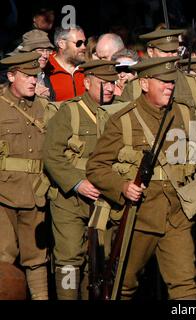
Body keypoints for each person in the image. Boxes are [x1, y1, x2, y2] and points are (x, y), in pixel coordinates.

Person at [86, 57, 196, 300]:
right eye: (163, 82)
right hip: (140, 216)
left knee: (186, 286)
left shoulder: (182, 113)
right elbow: (96, 166)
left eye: (172, 82)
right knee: (123, 285)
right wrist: (123, 186)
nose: (170, 86)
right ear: (145, 84)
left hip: (177, 214)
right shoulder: (124, 119)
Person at [43, 60, 118, 300]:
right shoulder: (69, 111)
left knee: (99, 259)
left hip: (106, 200)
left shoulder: (119, 113)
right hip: (70, 199)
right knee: (68, 259)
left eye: (112, 83)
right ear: (86, 83)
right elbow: (51, 155)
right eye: (102, 83)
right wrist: (77, 183)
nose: (108, 88)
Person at [0, 52, 51, 300]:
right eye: (28, 76)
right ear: (11, 76)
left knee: (37, 257)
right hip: (3, 195)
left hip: (36, 193)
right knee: (3, 257)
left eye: (36, 75)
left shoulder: (44, 106)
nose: (34, 81)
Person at [45, 26, 86, 101]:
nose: (84, 47)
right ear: (61, 44)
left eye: (84, 42)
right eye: (79, 43)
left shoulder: (87, 68)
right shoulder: (46, 68)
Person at [18, 29, 55, 100]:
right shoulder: (14, 75)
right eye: (40, 50)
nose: (45, 55)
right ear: (28, 52)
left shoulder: (45, 75)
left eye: (48, 50)